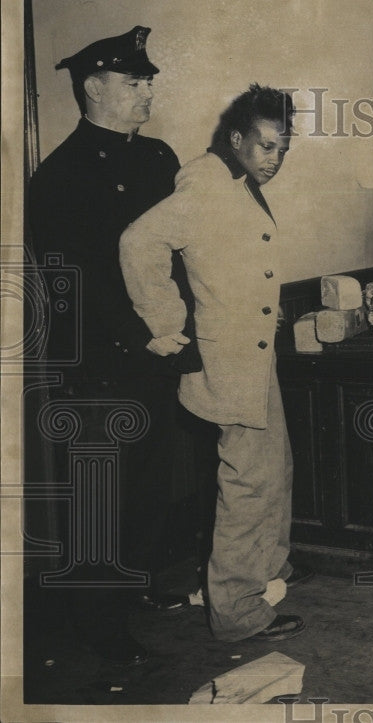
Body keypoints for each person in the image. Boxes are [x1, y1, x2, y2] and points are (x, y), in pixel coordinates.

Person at [27, 26, 195, 665]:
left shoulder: (157, 159)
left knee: (151, 480)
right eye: (134, 81)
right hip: (103, 358)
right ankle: (98, 623)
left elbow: (180, 250)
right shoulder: (60, 176)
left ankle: (144, 584)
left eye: (148, 79)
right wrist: (140, 337)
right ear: (94, 87)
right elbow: (80, 281)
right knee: (99, 491)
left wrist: (184, 327)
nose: (148, 89)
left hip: (161, 346)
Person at [119, 84, 309, 642]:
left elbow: (230, 261)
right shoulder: (206, 184)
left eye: (283, 148)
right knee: (248, 480)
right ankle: (236, 611)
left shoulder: (236, 181)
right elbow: (138, 242)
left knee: (274, 467)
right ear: (235, 139)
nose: (274, 160)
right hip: (226, 359)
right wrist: (168, 327)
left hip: (252, 353)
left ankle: (269, 569)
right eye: (266, 146)